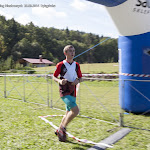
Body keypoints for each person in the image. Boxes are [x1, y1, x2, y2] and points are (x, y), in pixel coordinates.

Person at [53, 45, 83, 142]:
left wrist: (77, 81)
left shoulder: (77, 65)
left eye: (73, 51)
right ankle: (62, 129)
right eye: (70, 51)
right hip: (64, 90)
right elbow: (53, 77)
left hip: (73, 90)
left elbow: (81, 78)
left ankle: (59, 129)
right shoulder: (60, 65)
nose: (72, 53)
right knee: (75, 111)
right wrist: (59, 81)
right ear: (65, 53)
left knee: (67, 113)